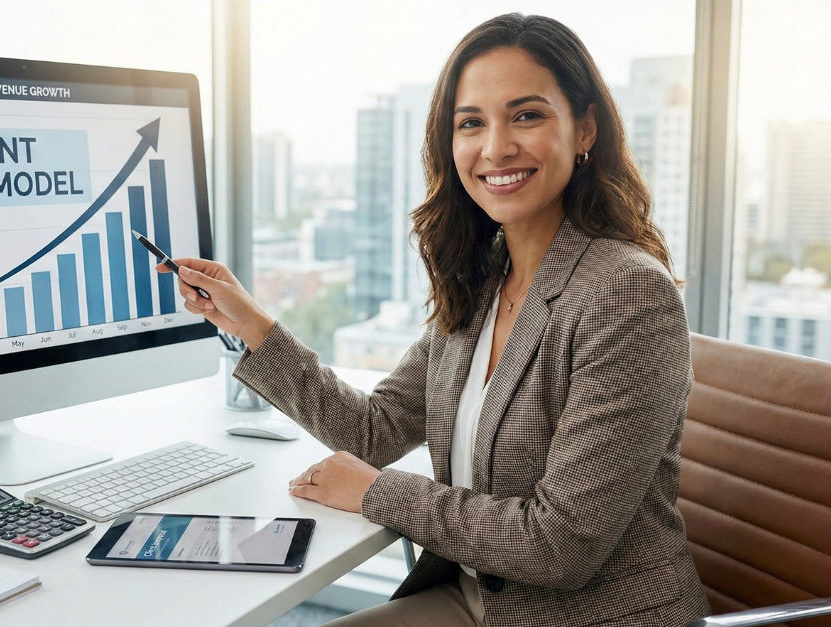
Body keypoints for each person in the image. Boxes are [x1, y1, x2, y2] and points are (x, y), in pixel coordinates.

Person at [158, 13, 711, 627]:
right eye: (471, 123)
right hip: (480, 599)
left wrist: (374, 491)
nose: (496, 146)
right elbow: (375, 430)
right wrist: (251, 326)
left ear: (584, 129)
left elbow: (562, 546)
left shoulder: (626, 292)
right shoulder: (484, 277)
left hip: (589, 615)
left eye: (527, 115)